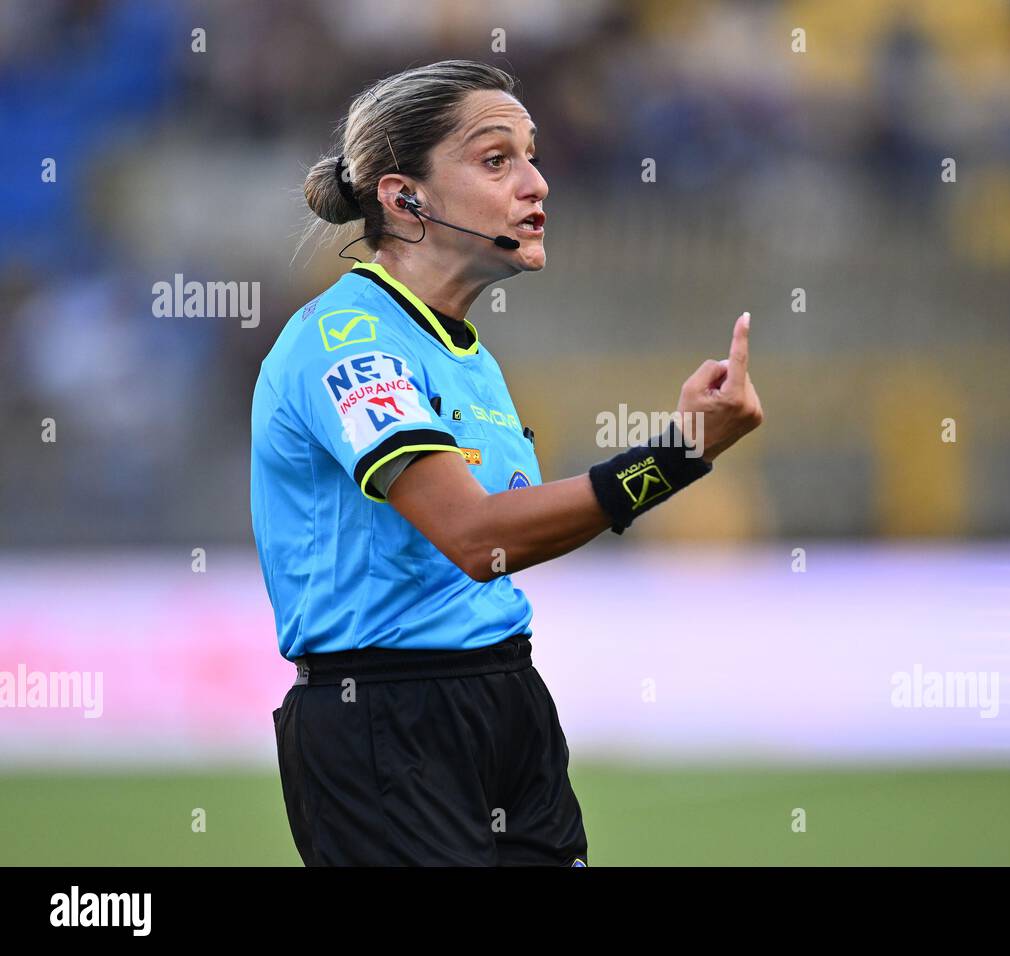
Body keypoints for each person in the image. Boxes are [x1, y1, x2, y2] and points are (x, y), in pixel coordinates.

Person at [250, 60, 763, 866]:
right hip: (384, 722)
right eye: (497, 160)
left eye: (532, 155)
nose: (537, 184)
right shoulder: (346, 339)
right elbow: (474, 535)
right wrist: (678, 454)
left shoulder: (469, 356)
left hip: (507, 699)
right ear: (403, 197)